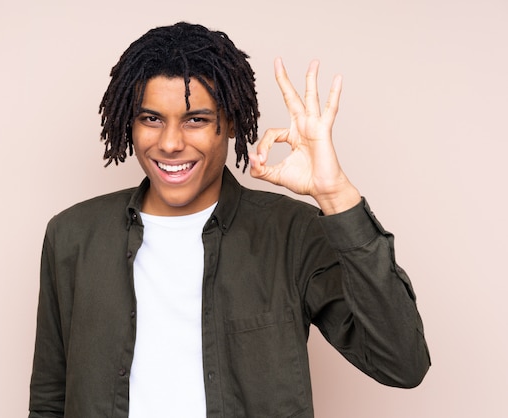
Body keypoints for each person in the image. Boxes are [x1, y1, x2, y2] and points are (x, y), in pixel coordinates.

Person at [29, 22, 430, 418]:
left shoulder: (292, 233)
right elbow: (50, 400)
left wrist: (335, 194)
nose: (169, 143)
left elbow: (402, 363)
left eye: (196, 120)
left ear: (232, 121)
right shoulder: (72, 237)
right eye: (151, 119)